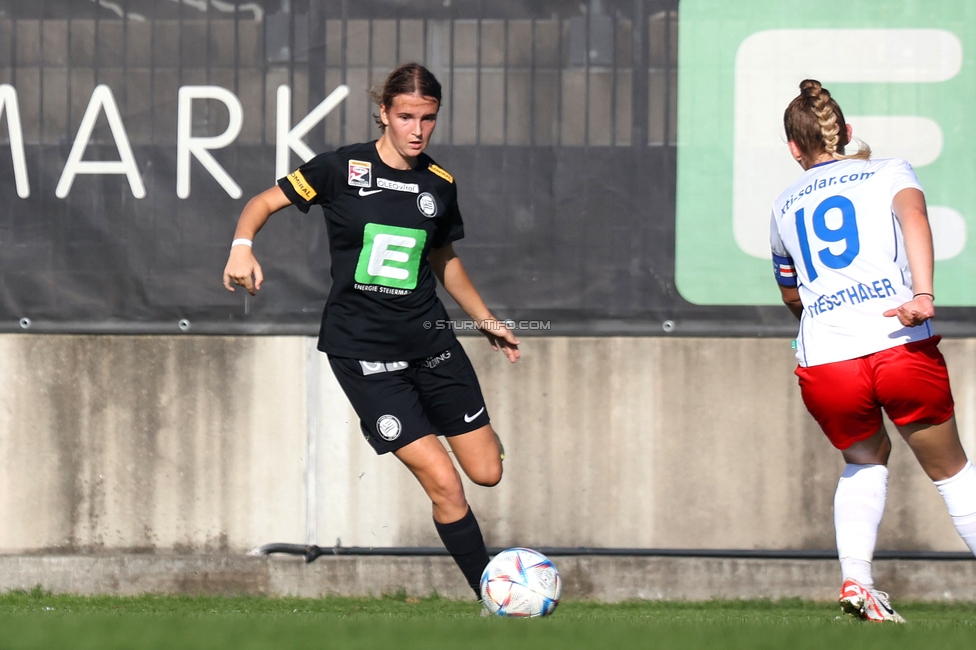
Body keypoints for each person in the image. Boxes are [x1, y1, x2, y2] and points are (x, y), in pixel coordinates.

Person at [222, 62, 520, 601]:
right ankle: (495, 594)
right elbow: (263, 203)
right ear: (383, 112)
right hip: (365, 357)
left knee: (486, 473)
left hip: (431, 345)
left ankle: (465, 435)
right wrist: (243, 246)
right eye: (405, 116)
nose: (416, 129)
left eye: (428, 118)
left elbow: (442, 258)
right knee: (446, 485)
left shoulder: (440, 184)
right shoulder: (340, 169)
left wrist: (486, 320)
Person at [769, 79, 976, 623]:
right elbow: (915, 220)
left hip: (827, 362)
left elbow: (790, 290)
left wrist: (819, 319)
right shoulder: (890, 170)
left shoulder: (783, 204)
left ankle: (858, 581)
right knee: (952, 471)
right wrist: (923, 295)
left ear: (793, 148)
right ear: (847, 131)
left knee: (863, 461)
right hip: (895, 343)